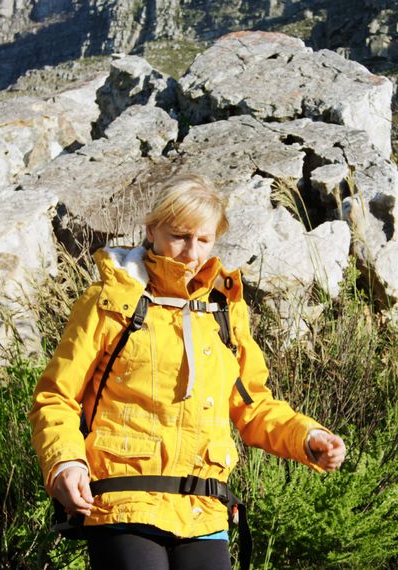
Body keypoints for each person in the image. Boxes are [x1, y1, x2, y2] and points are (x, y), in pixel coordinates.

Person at [29, 174, 346, 569]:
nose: (190, 253)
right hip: (122, 503)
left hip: (205, 510)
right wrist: (65, 462)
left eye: (203, 240)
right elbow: (55, 397)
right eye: (179, 236)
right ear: (152, 230)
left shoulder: (225, 311)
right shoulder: (110, 301)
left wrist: (308, 436)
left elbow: (253, 405)